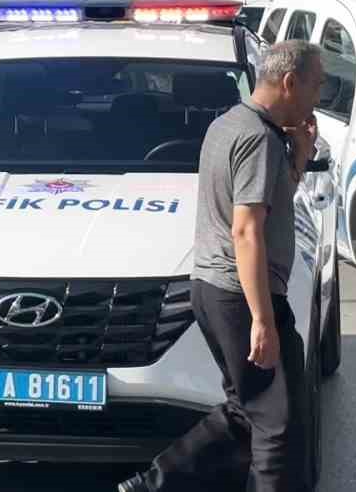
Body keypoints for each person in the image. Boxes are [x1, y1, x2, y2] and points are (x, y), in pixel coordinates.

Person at [119, 41, 324, 492]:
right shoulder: (258, 139)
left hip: (211, 288)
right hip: (241, 294)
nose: (320, 96)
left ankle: (150, 485)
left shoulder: (229, 124)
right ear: (289, 83)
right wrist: (263, 321)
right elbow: (246, 232)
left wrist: (300, 159)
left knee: (245, 411)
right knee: (279, 422)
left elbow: (266, 206)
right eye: (316, 85)